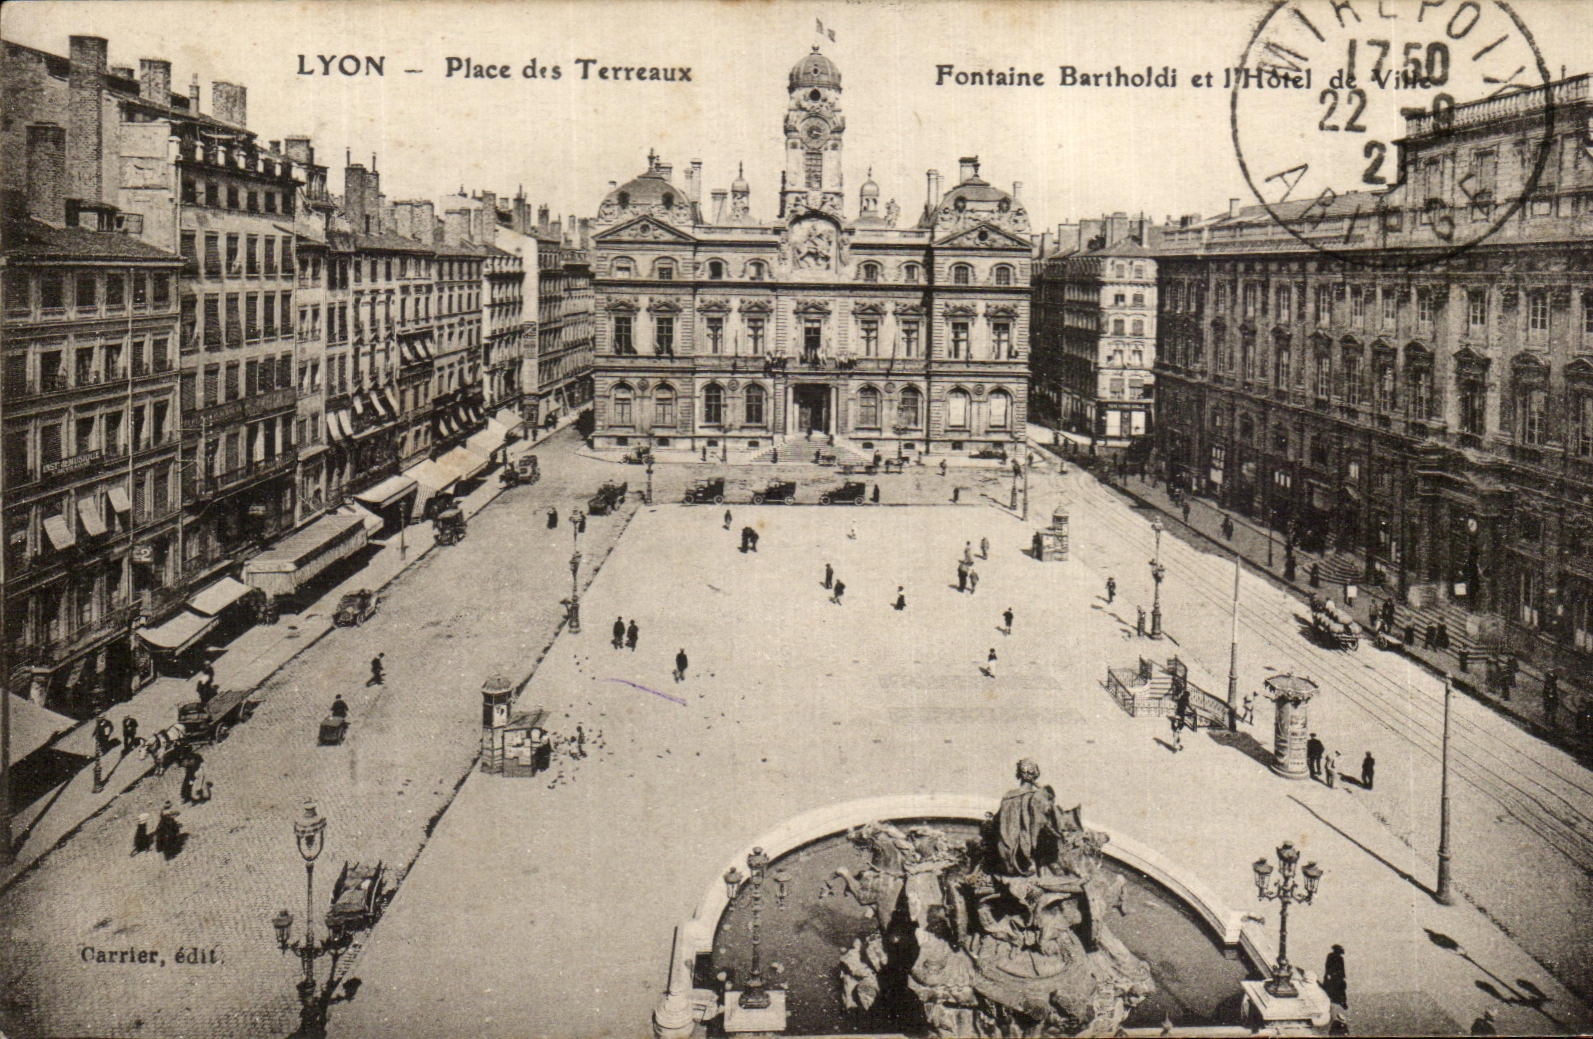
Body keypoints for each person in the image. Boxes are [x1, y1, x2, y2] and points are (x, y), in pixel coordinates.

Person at [1322, 945, 1348, 1009]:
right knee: (1336, 987)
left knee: (1339, 988)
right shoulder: (1332, 956)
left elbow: (1341, 968)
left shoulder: (1338, 958)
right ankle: (1340, 1001)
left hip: (1336, 976)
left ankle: (1341, 1001)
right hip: (1334, 975)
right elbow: (1328, 965)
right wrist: (1328, 974)